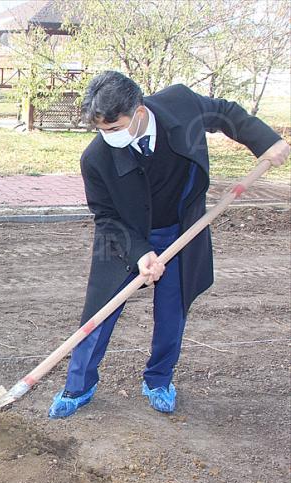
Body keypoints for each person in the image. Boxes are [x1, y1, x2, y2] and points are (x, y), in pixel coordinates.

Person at [49, 71, 290, 419]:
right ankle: (78, 386)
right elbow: (105, 216)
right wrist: (140, 252)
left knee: (173, 312)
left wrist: (264, 140)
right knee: (98, 313)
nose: (107, 136)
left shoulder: (181, 104)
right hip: (124, 237)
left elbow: (225, 112)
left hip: (181, 230)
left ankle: (159, 380)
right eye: (101, 129)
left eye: (115, 128)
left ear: (140, 112)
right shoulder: (96, 158)